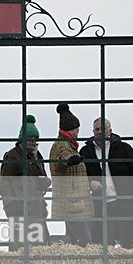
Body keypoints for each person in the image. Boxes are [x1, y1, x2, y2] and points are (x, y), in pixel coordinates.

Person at [79, 118, 133, 248]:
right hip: (98, 201)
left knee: (126, 236)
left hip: (122, 199)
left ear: (110, 131)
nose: (99, 132)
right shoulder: (86, 151)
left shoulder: (124, 148)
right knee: (102, 238)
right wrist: (91, 182)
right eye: (97, 129)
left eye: (103, 129)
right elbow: (81, 174)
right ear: (93, 131)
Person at [0, 114, 51, 249]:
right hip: (18, 207)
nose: (33, 142)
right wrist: (10, 204)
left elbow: (43, 176)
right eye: (30, 139)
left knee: (40, 246)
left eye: (35, 139)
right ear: (22, 140)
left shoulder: (37, 156)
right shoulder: (12, 156)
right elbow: (4, 182)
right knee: (18, 246)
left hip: (37, 208)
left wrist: (45, 182)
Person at [49, 103, 93, 246]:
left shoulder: (69, 144)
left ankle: (73, 261)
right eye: (76, 130)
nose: (78, 133)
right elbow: (63, 158)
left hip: (73, 200)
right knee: (86, 239)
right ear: (70, 130)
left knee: (73, 239)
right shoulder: (63, 145)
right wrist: (70, 160)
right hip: (71, 201)